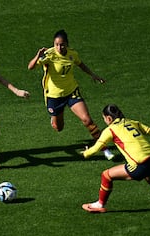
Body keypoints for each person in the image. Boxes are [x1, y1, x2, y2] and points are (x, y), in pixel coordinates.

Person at [81, 104, 150, 213]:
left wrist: (85, 154)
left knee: (106, 175)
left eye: (104, 118)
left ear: (109, 118)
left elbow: (97, 147)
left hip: (140, 164)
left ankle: (99, 205)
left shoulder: (110, 130)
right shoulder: (132, 122)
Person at [28, 29, 114, 160]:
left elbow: (80, 64)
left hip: (71, 92)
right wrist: (37, 55)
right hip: (54, 96)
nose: (59, 47)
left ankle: (104, 149)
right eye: (56, 44)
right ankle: (54, 118)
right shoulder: (49, 55)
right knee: (58, 128)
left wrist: (93, 75)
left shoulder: (72, 54)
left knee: (87, 120)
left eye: (62, 44)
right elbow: (30, 67)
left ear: (67, 44)